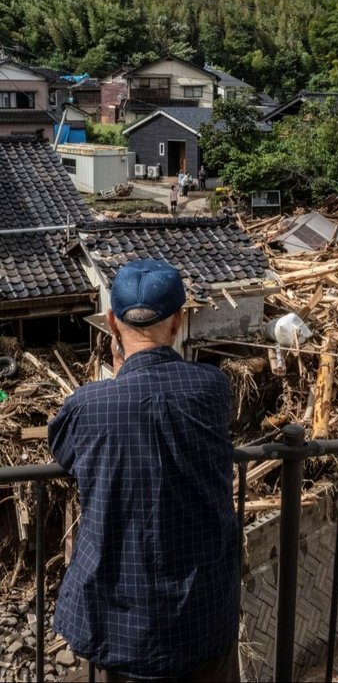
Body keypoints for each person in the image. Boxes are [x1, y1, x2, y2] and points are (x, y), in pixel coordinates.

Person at [48, 260, 240, 682]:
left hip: (119, 628)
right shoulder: (211, 387)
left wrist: (119, 380)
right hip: (202, 618)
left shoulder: (88, 405)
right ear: (178, 322)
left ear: (112, 323)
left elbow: (64, 452)